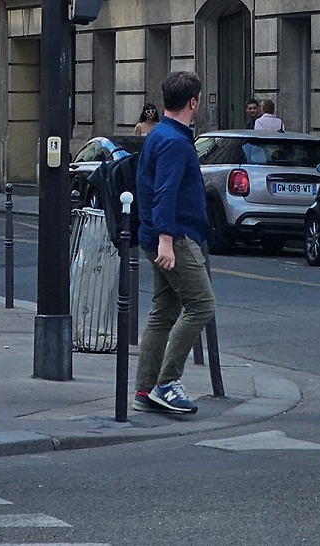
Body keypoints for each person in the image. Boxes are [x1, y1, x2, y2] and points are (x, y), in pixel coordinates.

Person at [133, 71, 216, 417]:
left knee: (164, 312)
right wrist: (166, 240)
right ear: (193, 102)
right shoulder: (175, 142)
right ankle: (167, 382)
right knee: (202, 306)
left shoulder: (160, 134)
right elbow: (164, 193)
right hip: (175, 237)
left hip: (160, 235)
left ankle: (145, 388)